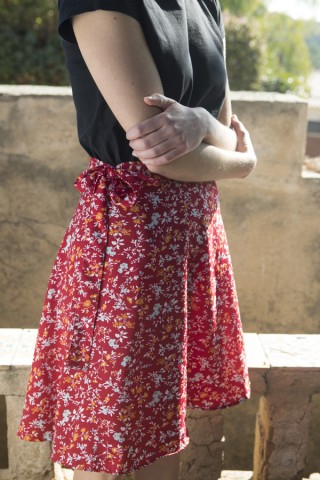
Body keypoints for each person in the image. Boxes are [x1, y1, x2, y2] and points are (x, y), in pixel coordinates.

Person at [17, 1, 257, 479]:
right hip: (131, 247)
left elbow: (224, 132)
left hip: (189, 244)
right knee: (109, 455)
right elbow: (162, 156)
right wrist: (246, 163)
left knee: (164, 442)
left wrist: (203, 126)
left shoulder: (205, 2)